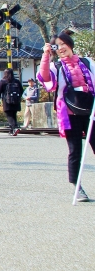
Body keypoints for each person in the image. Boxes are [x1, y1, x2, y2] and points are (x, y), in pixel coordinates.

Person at [38, 32, 95, 202]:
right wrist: (45, 56)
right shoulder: (57, 67)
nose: (61, 48)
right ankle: (76, 186)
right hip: (70, 114)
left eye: (63, 43)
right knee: (75, 150)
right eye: (57, 45)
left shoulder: (88, 62)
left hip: (91, 111)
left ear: (70, 44)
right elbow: (46, 78)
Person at [0, 68, 22, 136]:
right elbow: (21, 90)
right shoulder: (17, 81)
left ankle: (15, 127)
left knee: (9, 115)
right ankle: (12, 130)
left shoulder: (3, 81)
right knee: (13, 115)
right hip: (16, 101)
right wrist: (17, 97)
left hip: (7, 101)